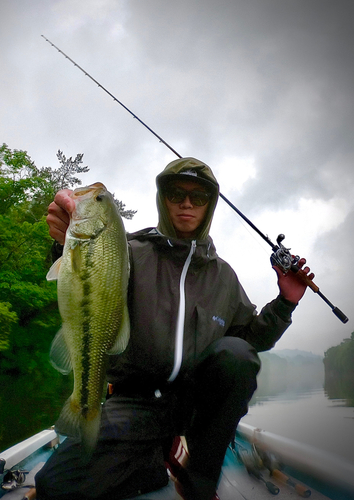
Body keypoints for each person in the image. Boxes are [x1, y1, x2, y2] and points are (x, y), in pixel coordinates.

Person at [36, 157, 314, 500]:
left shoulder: (223, 277)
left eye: (198, 197)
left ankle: (199, 480)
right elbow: (85, 286)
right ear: (162, 197)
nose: (186, 203)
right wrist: (64, 243)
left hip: (198, 409)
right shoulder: (127, 251)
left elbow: (248, 344)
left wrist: (286, 302)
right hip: (136, 401)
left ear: (209, 205)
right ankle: (151, 462)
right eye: (176, 192)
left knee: (237, 355)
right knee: (56, 486)